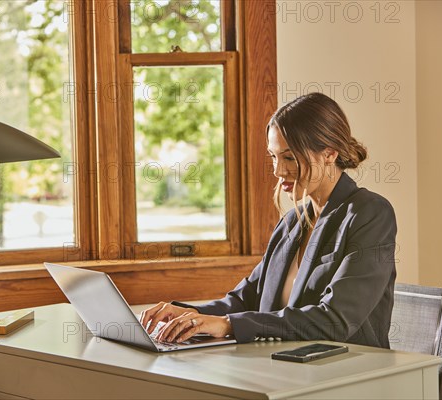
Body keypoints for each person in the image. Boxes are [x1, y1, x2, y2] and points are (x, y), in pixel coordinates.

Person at [140, 92, 397, 349]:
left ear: (329, 154)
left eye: (289, 157)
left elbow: (335, 321)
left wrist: (230, 324)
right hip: (287, 367)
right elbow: (245, 300)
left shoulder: (370, 214)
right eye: (273, 157)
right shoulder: (292, 223)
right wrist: (187, 314)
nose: (277, 170)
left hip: (352, 372)